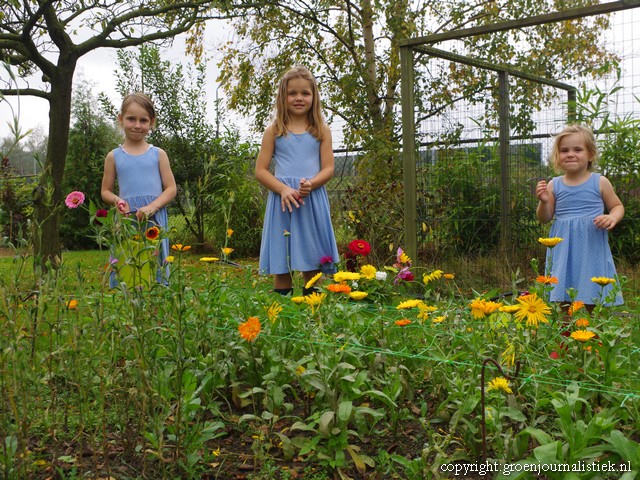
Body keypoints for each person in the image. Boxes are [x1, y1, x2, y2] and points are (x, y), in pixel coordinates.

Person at [256, 66, 340, 295]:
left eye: (305, 93)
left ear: (314, 97)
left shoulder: (321, 130)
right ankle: (283, 311)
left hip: (310, 200)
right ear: (283, 97)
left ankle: (313, 313)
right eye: (292, 93)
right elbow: (261, 170)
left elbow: (329, 169)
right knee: (281, 258)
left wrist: (311, 184)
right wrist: (283, 189)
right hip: (282, 202)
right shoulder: (273, 131)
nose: (299, 98)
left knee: (312, 258)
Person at [536, 124, 624, 307]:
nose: (570, 154)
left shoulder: (600, 182)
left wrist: (612, 217)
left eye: (578, 149)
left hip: (590, 245)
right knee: (562, 295)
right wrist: (544, 201)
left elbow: (617, 206)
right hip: (563, 247)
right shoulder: (554, 185)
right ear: (557, 156)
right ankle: (566, 332)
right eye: (564, 150)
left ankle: (591, 331)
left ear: (590, 154)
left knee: (593, 292)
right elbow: (544, 217)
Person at [101, 92, 177, 286]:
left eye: (143, 120)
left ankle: (155, 306)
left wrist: (152, 207)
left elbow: (171, 189)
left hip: (154, 220)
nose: (137, 125)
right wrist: (118, 201)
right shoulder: (114, 156)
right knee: (128, 268)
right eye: (131, 119)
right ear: (121, 119)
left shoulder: (158, 154)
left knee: (155, 270)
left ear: (151, 122)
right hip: (127, 221)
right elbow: (105, 191)